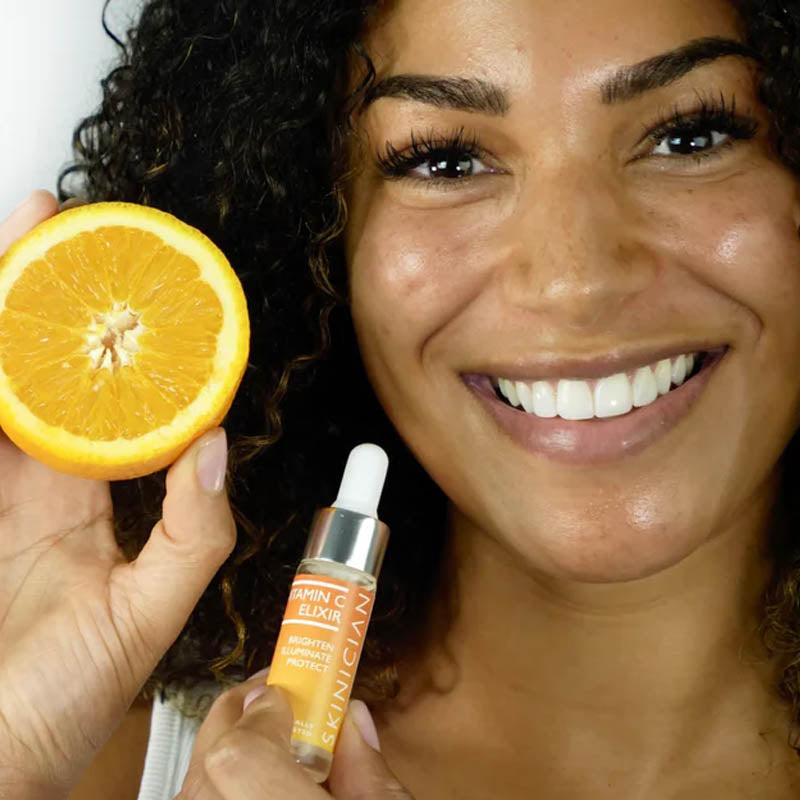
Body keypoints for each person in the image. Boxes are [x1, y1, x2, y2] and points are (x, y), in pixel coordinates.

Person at [3, 0, 800, 797]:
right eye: (446, 161)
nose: (575, 281)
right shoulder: (96, 762)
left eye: (690, 137)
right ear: (319, 238)